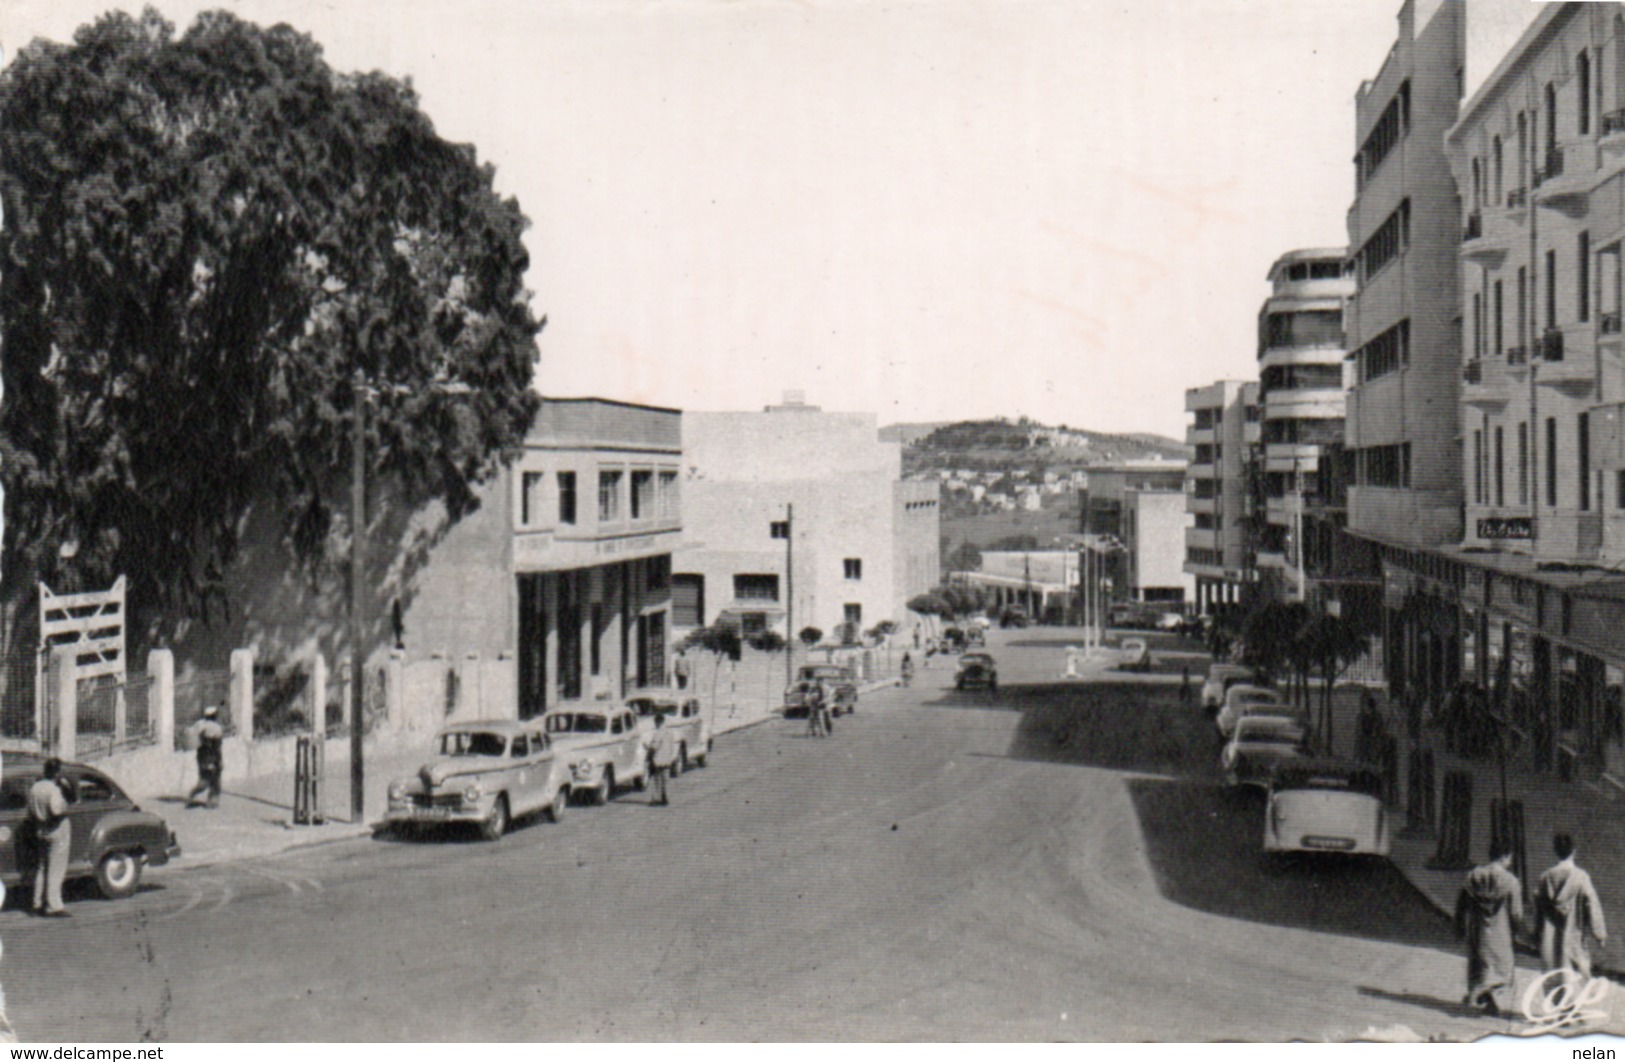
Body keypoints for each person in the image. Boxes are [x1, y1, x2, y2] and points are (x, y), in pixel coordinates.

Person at [1455, 843, 1524, 1015]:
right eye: (1509, 858)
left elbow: (1462, 903)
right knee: (1501, 968)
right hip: (1500, 931)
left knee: (1480, 964)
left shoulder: (1473, 875)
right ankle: (1480, 995)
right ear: (1504, 857)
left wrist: (1460, 925)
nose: (1510, 861)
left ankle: (1486, 1000)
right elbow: (1516, 913)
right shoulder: (1511, 882)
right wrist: (1520, 932)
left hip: (1477, 929)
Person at [1535, 833, 1607, 978]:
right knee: (1576, 982)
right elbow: (1592, 905)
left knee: (1555, 983)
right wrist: (1599, 934)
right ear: (1574, 850)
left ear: (1555, 851)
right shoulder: (1581, 878)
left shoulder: (1544, 878)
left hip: (1550, 943)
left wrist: (1536, 934)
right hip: (1574, 938)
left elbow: (1539, 911)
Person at [28, 758, 72, 917]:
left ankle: (36, 903)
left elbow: (31, 812)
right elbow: (57, 810)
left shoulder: (35, 787)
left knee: (41, 868)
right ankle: (54, 906)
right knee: (56, 869)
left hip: (40, 830)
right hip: (56, 830)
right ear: (57, 773)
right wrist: (65, 804)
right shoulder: (53, 790)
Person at [187, 705, 225, 808]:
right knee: (215, 780)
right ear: (215, 716)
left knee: (204, 778)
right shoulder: (216, 728)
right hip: (212, 755)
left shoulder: (198, 725)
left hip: (202, 756)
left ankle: (192, 794)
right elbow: (217, 746)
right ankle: (212, 801)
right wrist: (220, 760)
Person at [645, 714, 678, 806]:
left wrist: (648, 755)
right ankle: (665, 798)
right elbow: (672, 746)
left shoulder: (659, 732)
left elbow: (654, 747)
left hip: (658, 760)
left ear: (658, 722)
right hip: (667, 759)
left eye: (655, 722)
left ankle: (657, 798)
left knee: (657, 780)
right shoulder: (670, 732)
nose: (655, 724)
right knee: (665, 780)